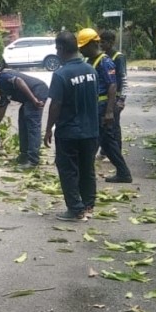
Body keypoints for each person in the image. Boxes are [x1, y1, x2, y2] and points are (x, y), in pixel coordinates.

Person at [43, 31, 99, 221]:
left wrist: (49, 128)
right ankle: (88, 205)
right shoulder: (91, 71)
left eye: (57, 48)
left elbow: (56, 105)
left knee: (68, 170)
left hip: (69, 132)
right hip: (91, 130)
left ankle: (75, 209)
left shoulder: (61, 74)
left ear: (61, 48)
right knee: (87, 168)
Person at [77, 28, 133, 183]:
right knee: (105, 141)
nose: (81, 50)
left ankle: (86, 172)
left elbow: (112, 86)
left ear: (92, 44)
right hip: (95, 107)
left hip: (103, 107)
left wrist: (109, 111)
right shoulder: (89, 61)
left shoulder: (105, 61)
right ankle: (123, 173)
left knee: (100, 140)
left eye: (83, 46)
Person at [0, 67, 48, 169]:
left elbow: (19, 81)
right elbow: (2, 108)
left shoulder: (1, 77)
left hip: (37, 91)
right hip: (30, 98)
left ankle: (33, 161)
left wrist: (34, 100)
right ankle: (24, 155)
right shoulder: (3, 89)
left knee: (32, 124)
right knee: (22, 121)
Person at [98, 29, 127, 150]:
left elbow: (123, 79)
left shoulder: (118, 57)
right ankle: (106, 151)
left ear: (110, 43)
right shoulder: (103, 57)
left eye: (103, 42)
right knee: (105, 126)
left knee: (114, 126)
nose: (101, 45)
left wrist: (121, 99)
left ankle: (117, 151)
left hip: (116, 98)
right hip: (106, 98)